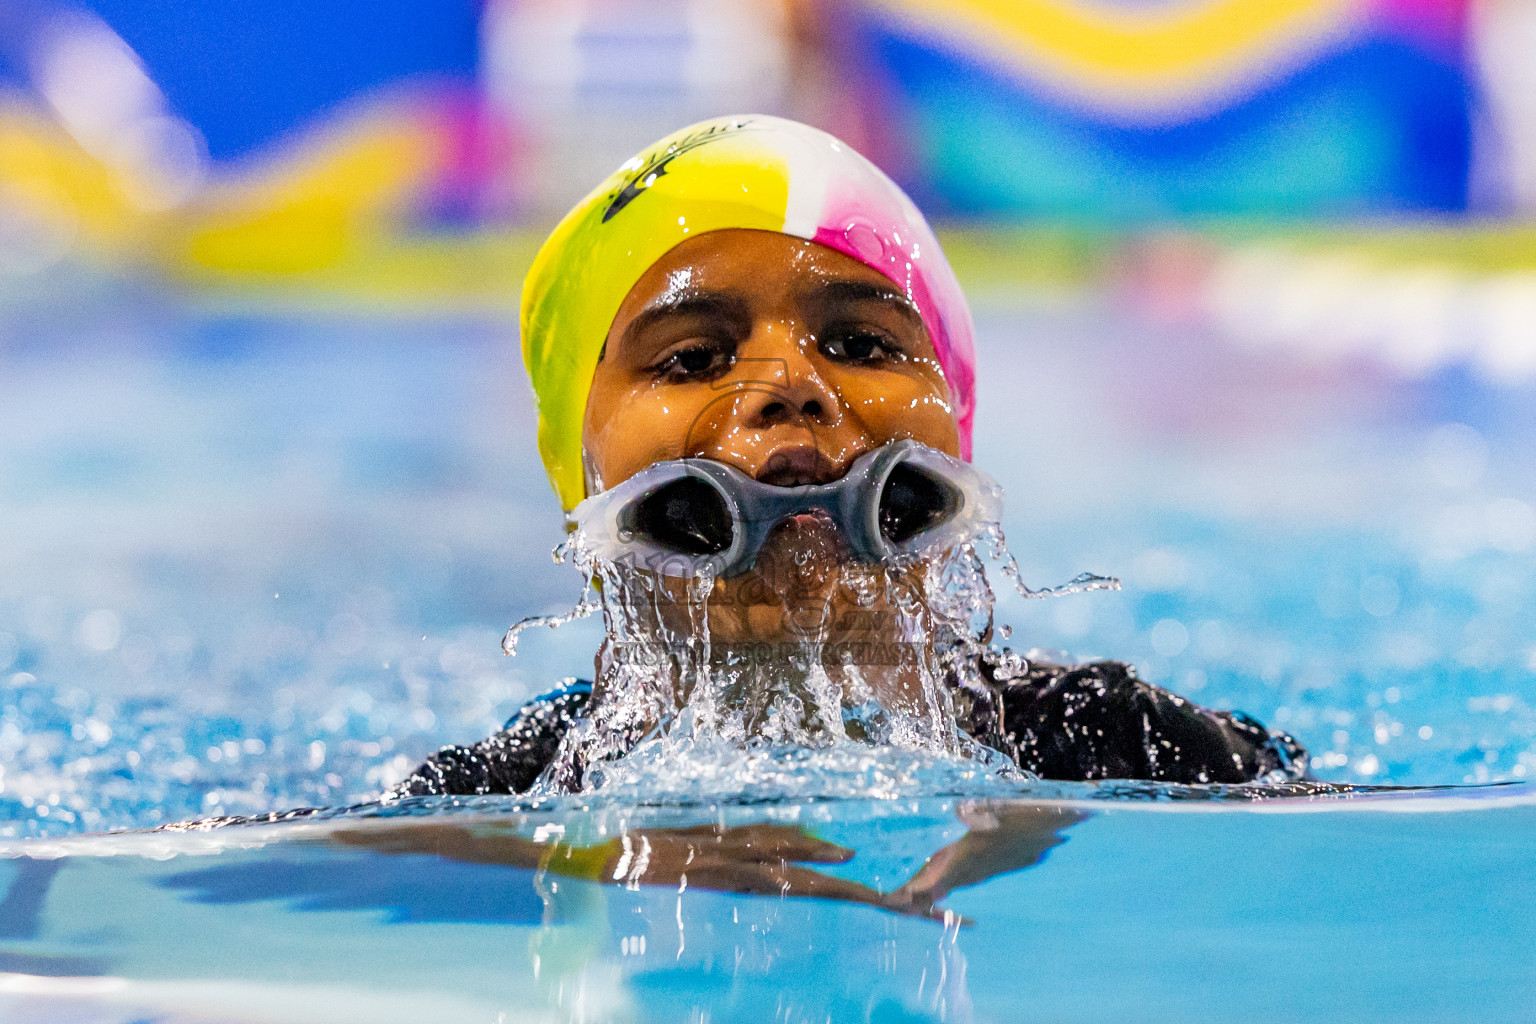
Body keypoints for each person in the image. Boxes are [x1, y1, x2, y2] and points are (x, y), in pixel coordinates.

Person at [390, 115, 1307, 799]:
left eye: (863, 345)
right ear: (582, 474)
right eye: (691, 359)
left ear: (955, 431)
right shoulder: (498, 800)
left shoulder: (1125, 745)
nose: (790, 385)